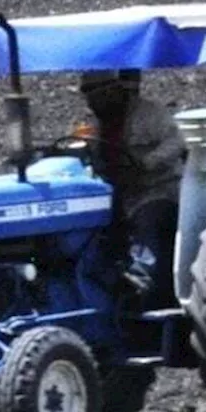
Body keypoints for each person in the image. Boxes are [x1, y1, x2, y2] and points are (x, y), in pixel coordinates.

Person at [78, 71, 186, 302]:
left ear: (112, 92)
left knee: (149, 221)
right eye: (87, 97)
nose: (90, 103)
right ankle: (104, 281)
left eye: (94, 96)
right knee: (94, 232)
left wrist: (147, 163)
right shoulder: (99, 122)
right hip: (119, 191)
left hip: (157, 188)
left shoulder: (149, 114)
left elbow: (176, 142)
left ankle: (146, 287)